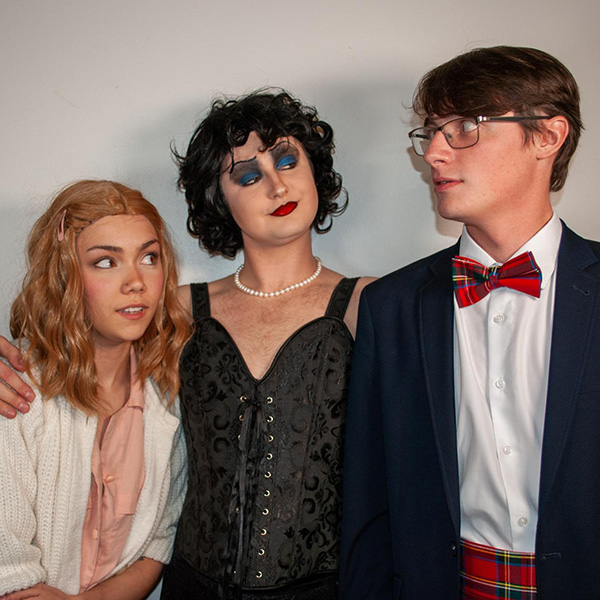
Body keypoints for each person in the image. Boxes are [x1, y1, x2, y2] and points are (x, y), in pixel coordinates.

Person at [0, 92, 373, 599]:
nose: (277, 184)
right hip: (191, 589)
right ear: (220, 199)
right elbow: (67, 336)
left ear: (315, 171)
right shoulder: (171, 311)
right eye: (247, 175)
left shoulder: (371, 303)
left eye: (287, 160)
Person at [340, 45, 599, 599]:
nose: (434, 151)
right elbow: (369, 500)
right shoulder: (390, 305)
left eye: (465, 126)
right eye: (431, 131)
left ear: (548, 136)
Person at [0, 181, 190, 599]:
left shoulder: (168, 403)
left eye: (149, 257)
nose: (136, 282)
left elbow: (158, 543)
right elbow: (8, 572)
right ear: (65, 274)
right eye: (106, 262)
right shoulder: (16, 397)